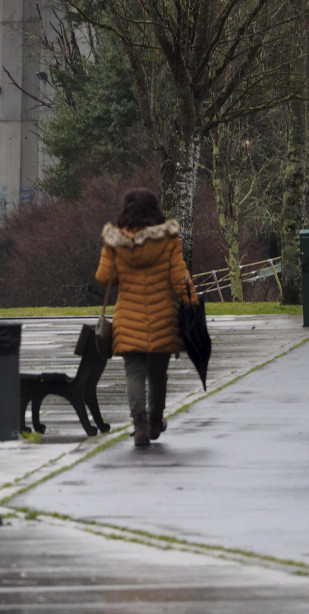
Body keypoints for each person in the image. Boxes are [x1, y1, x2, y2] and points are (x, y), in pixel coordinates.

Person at [94, 187, 195, 447]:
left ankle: (139, 425)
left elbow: (105, 278)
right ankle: (155, 421)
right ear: (155, 208)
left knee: (134, 373)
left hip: (128, 316)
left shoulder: (115, 240)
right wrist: (192, 303)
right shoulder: (169, 239)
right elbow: (179, 277)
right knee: (158, 374)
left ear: (126, 209)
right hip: (163, 316)